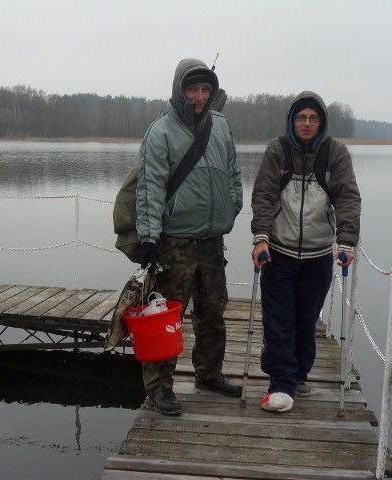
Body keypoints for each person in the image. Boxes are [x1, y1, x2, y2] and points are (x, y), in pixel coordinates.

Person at [136, 57, 243, 415]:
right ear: (179, 91)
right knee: (166, 317)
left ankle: (208, 373)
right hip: (175, 241)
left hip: (212, 240)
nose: (199, 96)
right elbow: (150, 189)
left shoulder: (222, 126)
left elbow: (233, 172)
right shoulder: (161, 131)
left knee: (214, 310)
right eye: (192, 89)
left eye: (205, 89)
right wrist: (149, 239)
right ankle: (159, 386)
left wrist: (233, 204)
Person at [250, 91, 361, 413]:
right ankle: (281, 384)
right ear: (292, 120)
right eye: (302, 117)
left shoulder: (335, 153)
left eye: (313, 118)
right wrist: (260, 238)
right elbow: (264, 195)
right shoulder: (278, 150)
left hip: (317, 255)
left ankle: (298, 375)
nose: (307, 123)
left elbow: (348, 198)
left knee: (306, 319)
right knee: (279, 318)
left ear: (321, 122)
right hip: (278, 253)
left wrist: (347, 242)